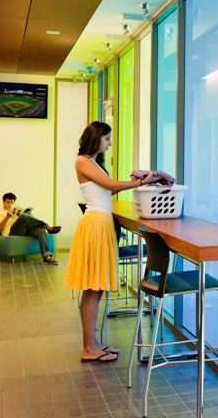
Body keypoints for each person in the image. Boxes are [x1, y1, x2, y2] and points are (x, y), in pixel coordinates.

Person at [63, 121, 164, 363]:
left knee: (94, 289)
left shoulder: (91, 162)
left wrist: (137, 180)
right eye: (107, 139)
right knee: (93, 288)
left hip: (101, 223)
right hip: (96, 224)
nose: (109, 143)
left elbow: (109, 190)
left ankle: (93, 344)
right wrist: (143, 182)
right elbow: (110, 186)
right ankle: (88, 348)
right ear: (96, 138)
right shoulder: (82, 161)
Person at [0, 192, 61, 265]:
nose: (10, 204)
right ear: (3, 202)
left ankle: (47, 258)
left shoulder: (16, 211)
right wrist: (7, 217)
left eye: (12, 202)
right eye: (8, 202)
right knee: (23, 216)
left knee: (40, 230)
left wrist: (29, 216)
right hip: (11, 232)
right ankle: (48, 227)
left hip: (23, 230)